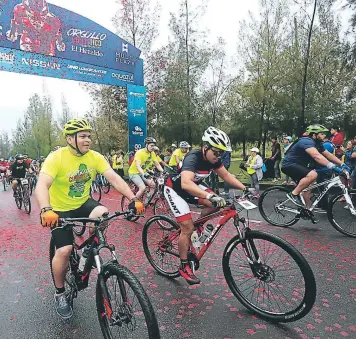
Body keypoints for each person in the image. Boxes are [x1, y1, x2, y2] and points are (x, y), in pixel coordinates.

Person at [35, 118, 144, 319]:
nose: (88, 140)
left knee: (103, 214)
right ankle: (60, 293)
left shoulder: (95, 157)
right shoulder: (56, 157)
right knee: (65, 250)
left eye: (89, 136)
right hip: (58, 209)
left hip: (82, 203)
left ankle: (88, 250)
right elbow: (42, 185)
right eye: (83, 136)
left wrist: (133, 198)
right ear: (70, 138)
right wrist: (46, 209)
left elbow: (114, 177)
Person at [164, 127, 246, 285]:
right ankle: (184, 265)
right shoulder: (192, 158)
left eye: (221, 153)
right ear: (206, 147)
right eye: (216, 152)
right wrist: (208, 195)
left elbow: (227, 175)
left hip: (192, 187)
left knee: (218, 204)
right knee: (187, 228)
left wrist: (245, 188)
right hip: (175, 189)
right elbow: (186, 183)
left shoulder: (214, 160)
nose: (218, 156)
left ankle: (198, 227)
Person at [281, 124, 350, 221]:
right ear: (314, 134)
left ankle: (307, 210)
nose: (324, 136)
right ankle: (293, 194)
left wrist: (341, 164)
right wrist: (333, 167)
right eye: (321, 134)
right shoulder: (306, 141)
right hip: (289, 165)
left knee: (308, 187)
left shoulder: (318, 143)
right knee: (313, 174)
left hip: (300, 166)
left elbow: (328, 155)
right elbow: (316, 156)